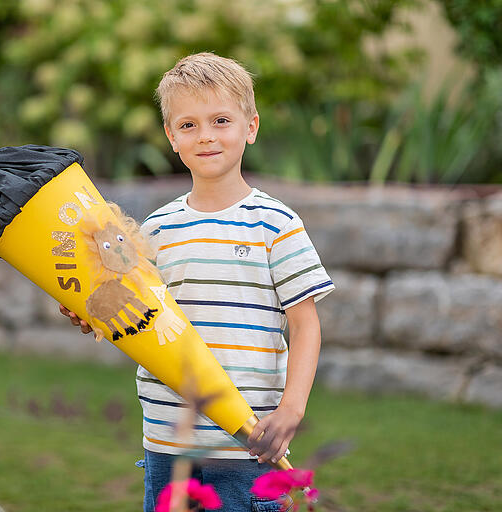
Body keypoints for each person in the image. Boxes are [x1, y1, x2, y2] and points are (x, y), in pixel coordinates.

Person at [60, 52, 334, 511]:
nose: (205, 136)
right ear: (171, 136)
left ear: (251, 127)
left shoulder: (276, 223)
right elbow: (137, 313)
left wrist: (292, 410)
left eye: (221, 120)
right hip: (168, 438)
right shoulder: (155, 229)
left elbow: (305, 324)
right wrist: (90, 310)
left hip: (247, 440)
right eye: (188, 125)